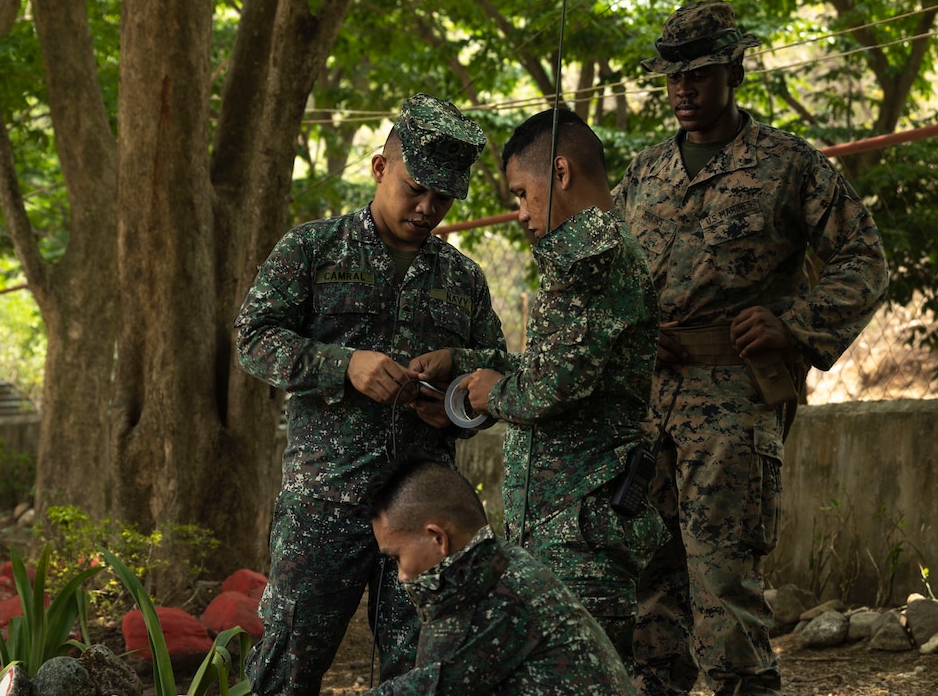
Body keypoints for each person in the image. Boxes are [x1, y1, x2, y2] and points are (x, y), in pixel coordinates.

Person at [613, 0, 890, 696]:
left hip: (733, 409)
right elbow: (606, 277)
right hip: (648, 404)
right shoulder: (642, 175)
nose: (683, 90)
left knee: (724, 590)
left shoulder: (788, 164)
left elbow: (865, 259)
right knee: (647, 591)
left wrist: (795, 321)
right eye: (672, 77)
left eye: (699, 74)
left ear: (735, 70)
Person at [234, 93, 507, 696]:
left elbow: (499, 372)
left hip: (422, 515)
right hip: (323, 506)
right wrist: (344, 364)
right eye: (416, 188)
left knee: (422, 674)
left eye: (444, 197)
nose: (428, 207)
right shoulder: (311, 249)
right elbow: (253, 339)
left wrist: (456, 403)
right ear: (381, 169)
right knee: (285, 671)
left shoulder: (462, 278)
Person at [410, 108, 667, 668]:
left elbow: (553, 385)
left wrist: (491, 395)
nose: (520, 213)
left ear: (562, 172)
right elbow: (557, 365)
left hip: (580, 528)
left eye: (523, 194)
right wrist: (464, 363)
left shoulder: (586, 253)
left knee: (580, 675)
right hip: (564, 526)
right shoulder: (595, 250)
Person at [361, 455, 639, 695]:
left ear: (438, 539)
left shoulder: (501, 598)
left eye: (397, 557)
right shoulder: (493, 564)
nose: (401, 576)